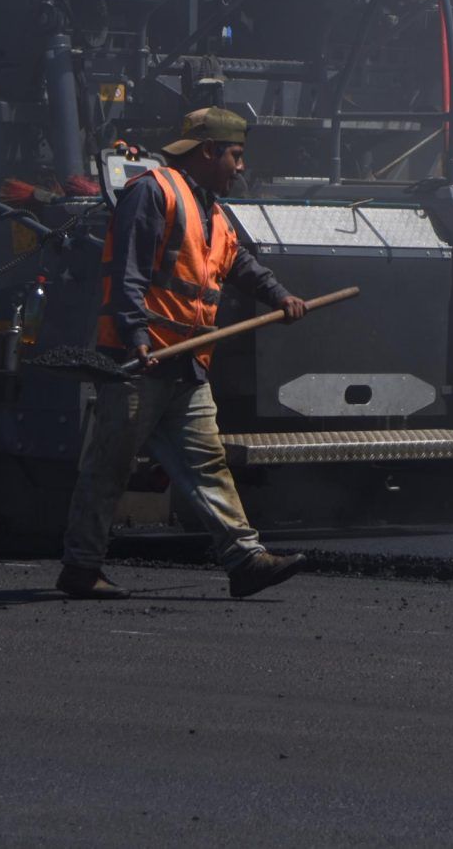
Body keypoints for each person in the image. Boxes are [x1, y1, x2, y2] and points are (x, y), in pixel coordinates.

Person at [60, 107, 310, 601]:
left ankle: (245, 560)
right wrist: (135, 337)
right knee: (109, 466)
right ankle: (81, 568)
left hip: (188, 363)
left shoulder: (213, 212)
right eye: (235, 156)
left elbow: (238, 262)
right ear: (208, 151)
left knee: (206, 463)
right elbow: (126, 272)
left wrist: (279, 295)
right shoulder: (153, 192)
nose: (240, 167)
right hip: (140, 361)